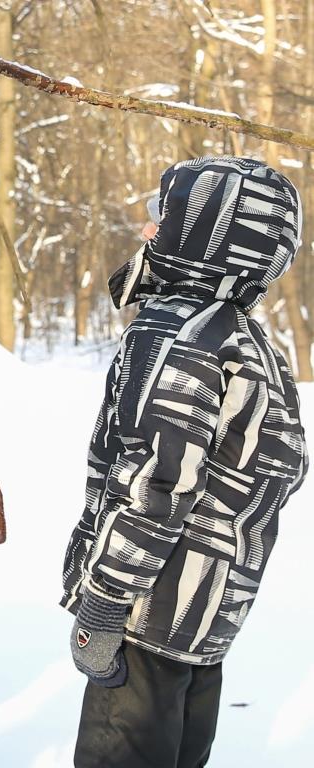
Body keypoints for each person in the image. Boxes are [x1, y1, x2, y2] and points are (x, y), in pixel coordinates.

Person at [61, 156, 308, 767]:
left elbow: (159, 486)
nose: (147, 232)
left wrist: (104, 599)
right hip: (203, 621)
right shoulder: (244, 340)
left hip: (146, 614)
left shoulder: (181, 338)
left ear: (206, 239)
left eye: (163, 221)